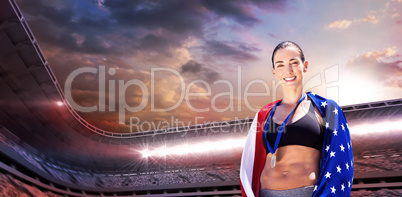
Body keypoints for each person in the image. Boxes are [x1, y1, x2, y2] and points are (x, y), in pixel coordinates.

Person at [239, 41, 354, 197]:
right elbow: (251, 163)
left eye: (294, 62)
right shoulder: (264, 115)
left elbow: (340, 162)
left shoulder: (327, 110)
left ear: (304, 66)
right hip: (267, 192)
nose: (288, 70)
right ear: (274, 72)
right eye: (280, 65)